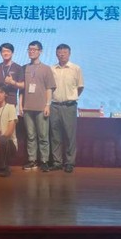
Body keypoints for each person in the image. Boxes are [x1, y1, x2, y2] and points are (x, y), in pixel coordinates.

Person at [20, 41, 55, 172]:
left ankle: (44, 161)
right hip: (27, 107)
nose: (31, 52)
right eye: (29, 49)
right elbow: (22, 89)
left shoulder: (46, 68)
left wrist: (48, 105)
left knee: (43, 136)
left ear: (40, 51)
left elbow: (49, 88)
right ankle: (32, 160)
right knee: (30, 136)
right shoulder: (24, 68)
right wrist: (20, 105)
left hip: (41, 107)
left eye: (34, 49)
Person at [49, 44, 84, 174]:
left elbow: (80, 87)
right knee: (55, 136)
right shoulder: (51, 69)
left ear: (69, 54)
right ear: (56, 54)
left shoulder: (76, 68)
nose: (62, 54)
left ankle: (69, 163)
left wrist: (71, 97)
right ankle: (57, 162)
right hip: (54, 106)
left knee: (70, 136)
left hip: (69, 106)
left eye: (64, 52)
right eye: (59, 52)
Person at [0, 85, 18, 177]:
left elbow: (10, 131)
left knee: (3, 140)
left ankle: (4, 167)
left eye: (1, 92)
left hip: (9, 144)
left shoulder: (11, 107)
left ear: (5, 94)